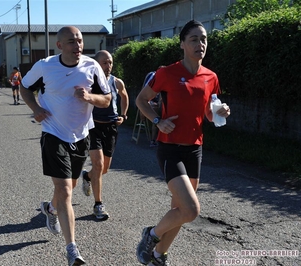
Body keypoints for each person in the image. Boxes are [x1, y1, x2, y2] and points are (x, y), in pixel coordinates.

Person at [135, 20, 231, 266]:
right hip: (170, 149)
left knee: (180, 212)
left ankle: (158, 255)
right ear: (182, 44)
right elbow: (141, 100)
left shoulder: (211, 77)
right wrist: (158, 120)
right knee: (190, 210)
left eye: (204, 39)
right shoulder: (166, 73)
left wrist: (221, 112)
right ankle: (151, 235)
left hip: (194, 149)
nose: (201, 44)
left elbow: (209, 114)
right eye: (194, 39)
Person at [20, 26, 111, 266]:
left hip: (80, 136)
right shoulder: (45, 66)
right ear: (60, 46)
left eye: (80, 41)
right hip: (53, 132)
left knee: (68, 187)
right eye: (71, 41)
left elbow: (107, 99)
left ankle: (50, 209)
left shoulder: (92, 66)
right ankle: (72, 250)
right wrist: (36, 109)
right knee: (66, 191)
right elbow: (24, 87)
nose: (77, 45)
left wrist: (89, 97)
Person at [81, 50, 129, 221]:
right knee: (99, 164)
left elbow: (124, 96)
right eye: (104, 62)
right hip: (93, 127)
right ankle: (98, 204)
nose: (108, 66)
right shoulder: (89, 81)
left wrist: (123, 115)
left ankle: (87, 176)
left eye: (110, 62)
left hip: (111, 127)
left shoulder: (116, 82)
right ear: (96, 64)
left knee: (104, 169)